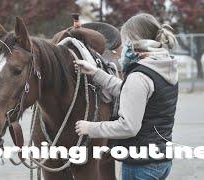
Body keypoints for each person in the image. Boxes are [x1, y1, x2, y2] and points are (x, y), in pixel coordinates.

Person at [74, 13, 178, 180]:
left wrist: (90, 128)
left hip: (141, 166)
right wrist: (96, 73)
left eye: (124, 44)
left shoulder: (139, 76)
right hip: (160, 160)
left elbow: (128, 127)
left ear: (134, 43)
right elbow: (130, 93)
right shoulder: (162, 66)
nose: (120, 50)